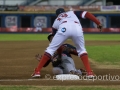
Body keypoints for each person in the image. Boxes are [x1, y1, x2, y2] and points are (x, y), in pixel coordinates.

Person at [31, 8, 102, 78]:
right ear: (65, 12)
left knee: (50, 49)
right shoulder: (72, 13)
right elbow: (86, 13)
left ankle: (37, 71)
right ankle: (89, 73)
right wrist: (98, 23)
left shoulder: (56, 20)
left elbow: (57, 43)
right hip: (77, 27)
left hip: (63, 28)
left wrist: (59, 54)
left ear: (57, 15)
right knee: (82, 50)